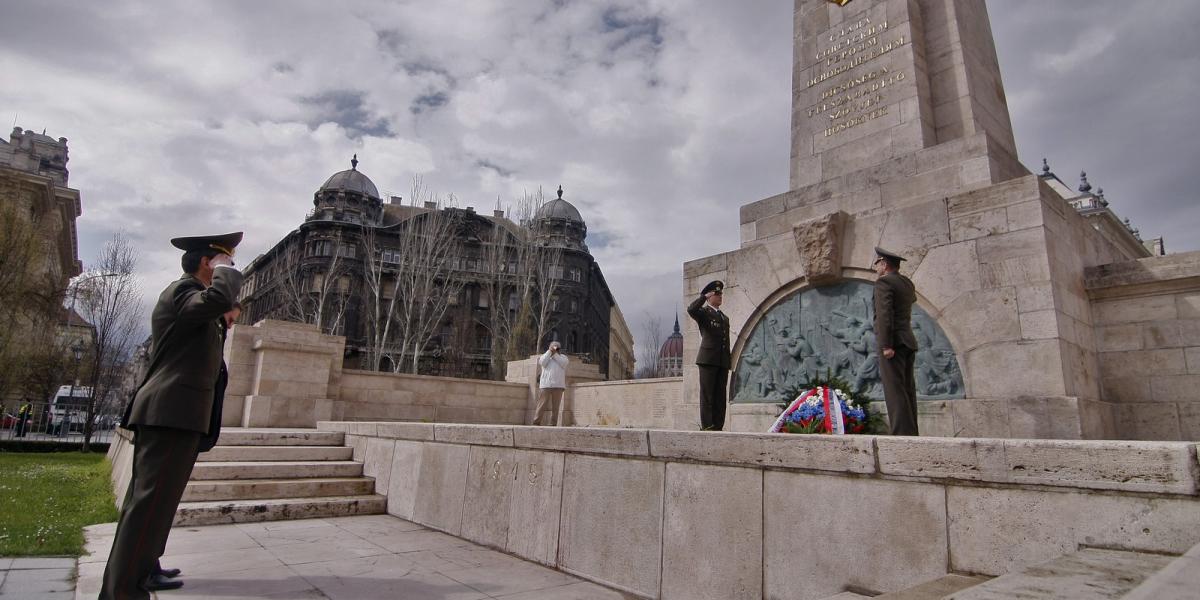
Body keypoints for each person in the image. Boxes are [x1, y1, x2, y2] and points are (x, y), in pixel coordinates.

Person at [100, 232, 244, 600]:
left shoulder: (193, 301)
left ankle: (144, 569)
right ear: (207, 262)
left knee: (155, 505)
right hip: (169, 414)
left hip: (178, 415)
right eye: (223, 261)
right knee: (147, 507)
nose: (227, 267)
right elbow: (218, 298)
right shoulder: (181, 292)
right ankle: (122, 592)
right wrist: (226, 276)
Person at [872, 247, 919, 436]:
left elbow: (884, 315)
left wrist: (886, 345)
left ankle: (902, 435)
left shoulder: (883, 283)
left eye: (877, 263)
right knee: (907, 390)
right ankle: (911, 432)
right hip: (908, 341)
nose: (875, 267)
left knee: (895, 391)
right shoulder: (906, 283)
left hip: (894, 344)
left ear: (884, 264)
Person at [687, 280, 730, 431]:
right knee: (707, 396)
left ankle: (719, 427)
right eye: (717, 294)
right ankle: (708, 428)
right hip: (708, 360)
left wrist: (727, 361)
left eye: (721, 294)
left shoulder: (725, 318)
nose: (720, 296)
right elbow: (691, 309)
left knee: (720, 397)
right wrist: (703, 297)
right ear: (710, 295)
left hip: (722, 361)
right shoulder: (704, 313)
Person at [533, 341, 568, 426]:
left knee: (556, 407)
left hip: (558, 385)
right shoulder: (545, 356)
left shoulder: (563, 357)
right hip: (546, 385)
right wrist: (549, 352)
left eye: (557, 347)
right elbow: (542, 362)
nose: (555, 348)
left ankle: (553, 423)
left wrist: (555, 354)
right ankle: (536, 422)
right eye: (553, 346)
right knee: (541, 405)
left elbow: (563, 364)